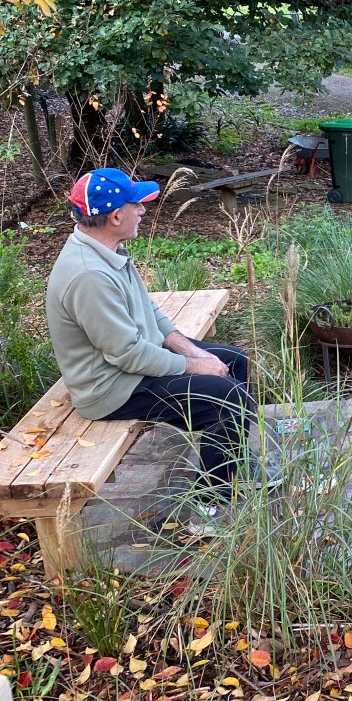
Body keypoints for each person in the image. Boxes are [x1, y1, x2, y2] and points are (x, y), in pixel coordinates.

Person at [45, 167, 255, 532]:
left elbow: (150, 314)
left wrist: (191, 349)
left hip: (130, 363)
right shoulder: (88, 276)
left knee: (234, 361)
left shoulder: (106, 249)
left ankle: (232, 464)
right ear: (116, 216)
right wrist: (195, 366)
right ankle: (207, 508)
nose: (143, 210)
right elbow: (126, 355)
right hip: (111, 388)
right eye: (136, 204)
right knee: (228, 401)